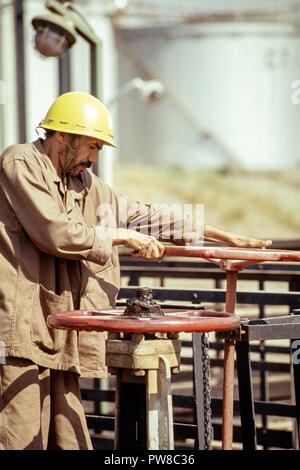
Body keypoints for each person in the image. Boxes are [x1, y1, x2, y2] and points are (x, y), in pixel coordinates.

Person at [0, 91, 272, 450]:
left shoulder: (85, 186)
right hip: (21, 333)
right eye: (92, 147)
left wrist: (223, 235)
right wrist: (121, 236)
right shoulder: (21, 163)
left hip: (58, 332)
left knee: (70, 440)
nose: (94, 159)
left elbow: (147, 214)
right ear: (62, 136)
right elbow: (55, 233)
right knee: (21, 438)